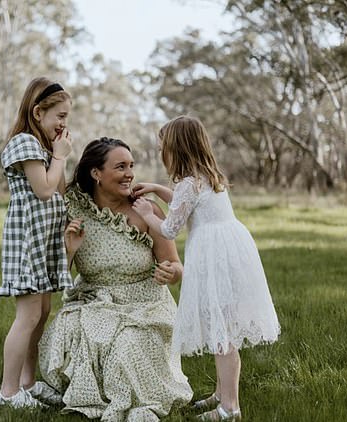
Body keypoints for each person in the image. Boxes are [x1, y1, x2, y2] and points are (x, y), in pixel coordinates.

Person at [131, 115, 281, 421]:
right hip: (230, 250)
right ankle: (222, 393)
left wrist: (147, 213)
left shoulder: (189, 184)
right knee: (221, 327)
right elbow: (186, 204)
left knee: (221, 331)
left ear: (176, 149)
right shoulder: (209, 177)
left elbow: (170, 228)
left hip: (213, 256)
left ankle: (230, 408)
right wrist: (159, 190)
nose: (163, 152)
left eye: (164, 147)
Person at [38, 137, 193, 421]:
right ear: (96, 173)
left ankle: (136, 402)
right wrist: (69, 250)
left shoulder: (146, 209)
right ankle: (89, 392)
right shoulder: (74, 210)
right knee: (75, 331)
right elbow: (58, 277)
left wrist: (172, 272)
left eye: (131, 166)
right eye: (120, 167)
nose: (130, 174)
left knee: (128, 344)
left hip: (145, 303)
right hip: (93, 300)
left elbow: (175, 266)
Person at [0, 77, 75, 409]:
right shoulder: (24, 142)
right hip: (28, 242)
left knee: (41, 312)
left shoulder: (43, 147)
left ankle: (27, 383)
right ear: (38, 111)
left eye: (66, 117)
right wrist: (58, 157)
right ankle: (8, 392)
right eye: (60, 115)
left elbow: (60, 189)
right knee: (27, 317)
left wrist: (60, 157)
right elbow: (43, 189)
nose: (63, 123)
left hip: (45, 241)